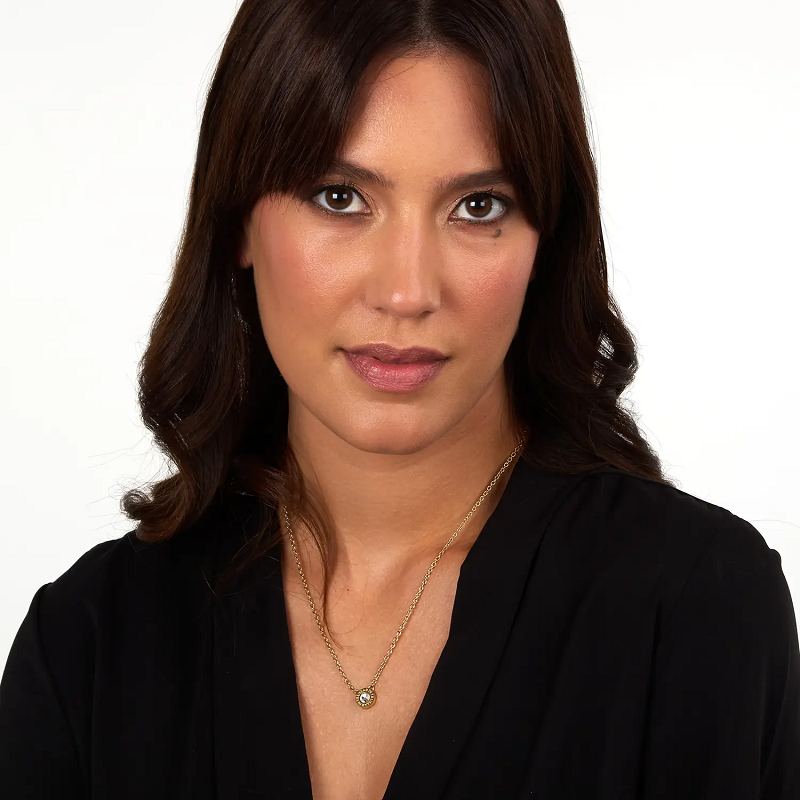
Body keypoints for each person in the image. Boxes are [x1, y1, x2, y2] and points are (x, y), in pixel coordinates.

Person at [1, 0, 798, 797]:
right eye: (339, 197)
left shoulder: (697, 606)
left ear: (545, 240)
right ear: (237, 220)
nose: (408, 291)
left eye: (478, 206)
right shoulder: (88, 645)